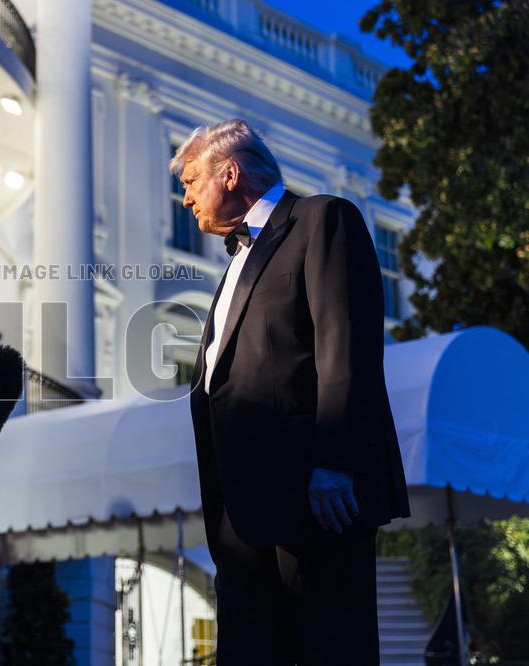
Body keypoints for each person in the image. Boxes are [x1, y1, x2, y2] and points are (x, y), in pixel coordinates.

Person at [172, 119, 410, 665]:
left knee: (329, 649)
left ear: (229, 174)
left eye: (190, 182)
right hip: (240, 514)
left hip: (315, 500)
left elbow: (344, 347)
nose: (185, 198)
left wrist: (335, 463)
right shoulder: (236, 259)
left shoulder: (322, 218)